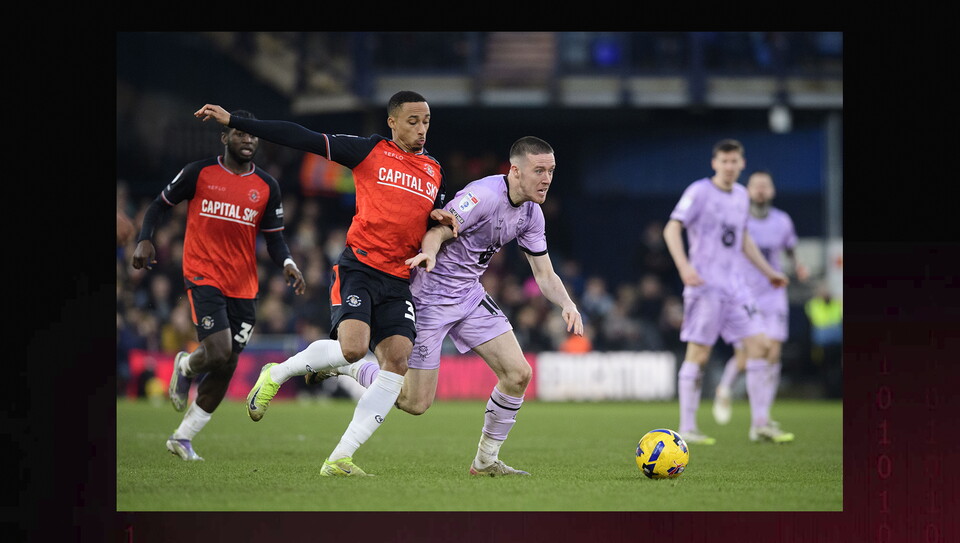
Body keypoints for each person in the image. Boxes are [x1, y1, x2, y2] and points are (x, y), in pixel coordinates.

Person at [195, 91, 456, 476]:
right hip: (360, 269)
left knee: (397, 363)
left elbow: (433, 220)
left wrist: (440, 219)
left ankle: (339, 458)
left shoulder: (434, 170)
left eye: (426, 122)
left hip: (400, 279)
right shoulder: (368, 152)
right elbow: (300, 135)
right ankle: (277, 374)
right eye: (413, 121)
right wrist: (238, 120)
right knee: (352, 350)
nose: (421, 129)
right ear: (392, 122)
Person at [308, 136, 583, 476]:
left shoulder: (531, 215)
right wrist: (431, 251)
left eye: (551, 171)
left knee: (518, 374)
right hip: (428, 298)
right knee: (414, 402)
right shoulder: (481, 196)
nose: (546, 179)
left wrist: (566, 303)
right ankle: (350, 369)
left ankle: (485, 462)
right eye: (539, 170)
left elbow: (544, 273)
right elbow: (440, 227)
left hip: (468, 295)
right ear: (515, 170)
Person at [132, 110, 306, 461]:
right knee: (218, 351)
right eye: (240, 135)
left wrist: (288, 263)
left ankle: (182, 438)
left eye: (253, 136)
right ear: (224, 138)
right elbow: (158, 205)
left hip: (244, 286)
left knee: (227, 364)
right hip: (203, 274)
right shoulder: (200, 173)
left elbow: (274, 240)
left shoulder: (267, 187)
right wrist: (145, 238)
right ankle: (184, 366)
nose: (248, 140)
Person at [662, 139, 792, 445]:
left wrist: (770, 272)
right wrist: (684, 267)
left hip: (737, 287)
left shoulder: (742, 195)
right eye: (724, 161)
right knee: (700, 353)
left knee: (761, 346)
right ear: (715, 163)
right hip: (705, 285)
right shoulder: (699, 191)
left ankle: (760, 423)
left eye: (735, 161)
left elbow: (743, 239)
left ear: (742, 164)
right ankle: (688, 427)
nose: (730, 166)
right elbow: (672, 228)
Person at [712, 170, 809, 426]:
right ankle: (724, 388)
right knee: (746, 357)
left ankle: (763, 416)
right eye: (756, 185)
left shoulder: (783, 221)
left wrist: (798, 265)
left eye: (766, 185)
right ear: (748, 190)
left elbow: (791, 249)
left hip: (773, 294)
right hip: (744, 295)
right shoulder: (738, 220)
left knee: (773, 353)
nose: (761, 190)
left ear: (773, 191)